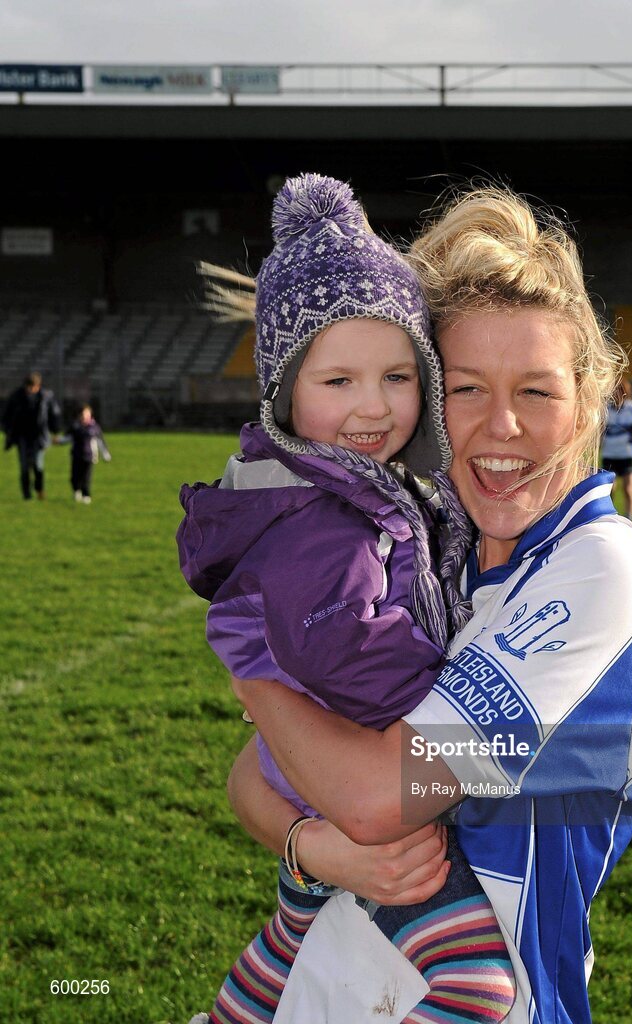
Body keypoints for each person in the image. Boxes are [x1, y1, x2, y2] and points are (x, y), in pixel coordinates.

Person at [225, 186, 632, 1024]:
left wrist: (251, 664)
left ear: (587, 398)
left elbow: (374, 796)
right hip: (315, 992)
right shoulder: (427, 554)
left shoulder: (596, 572)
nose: (500, 427)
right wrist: (311, 847)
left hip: (467, 1002)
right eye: (465, 390)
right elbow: (252, 774)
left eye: (535, 392)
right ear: (427, 397)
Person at [177, 174, 516, 1024]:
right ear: (285, 389)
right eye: (338, 382)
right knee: (475, 989)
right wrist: (452, 692)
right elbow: (350, 656)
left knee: (292, 939)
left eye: (398, 376)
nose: (374, 407)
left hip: (302, 769)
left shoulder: (358, 488)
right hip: (342, 773)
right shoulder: (316, 520)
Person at [2, 371, 61, 500]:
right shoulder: (17, 397)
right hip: (22, 436)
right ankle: (26, 495)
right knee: (24, 467)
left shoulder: (46, 397)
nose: (31, 390)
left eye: (34, 387)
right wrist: (8, 431)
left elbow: (53, 415)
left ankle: (39, 489)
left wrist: (55, 432)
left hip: (39, 437)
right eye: (29, 387)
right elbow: (7, 415)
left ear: (38, 386)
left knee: (37, 465)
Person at [601, 378, 632, 522]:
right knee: (610, 490)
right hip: (609, 454)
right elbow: (599, 430)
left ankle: (630, 520)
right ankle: (609, 518)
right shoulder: (605, 409)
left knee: (628, 489)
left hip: (627, 455)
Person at [63, 403, 111, 504]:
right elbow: (67, 438)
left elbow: (100, 441)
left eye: (87, 413)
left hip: (89, 456)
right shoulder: (75, 427)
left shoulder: (94, 427)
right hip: (76, 455)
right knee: (74, 476)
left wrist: (105, 454)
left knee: (86, 477)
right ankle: (76, 491)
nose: (85, 416)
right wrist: (58, 441)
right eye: (83, 414)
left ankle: (86, 495)